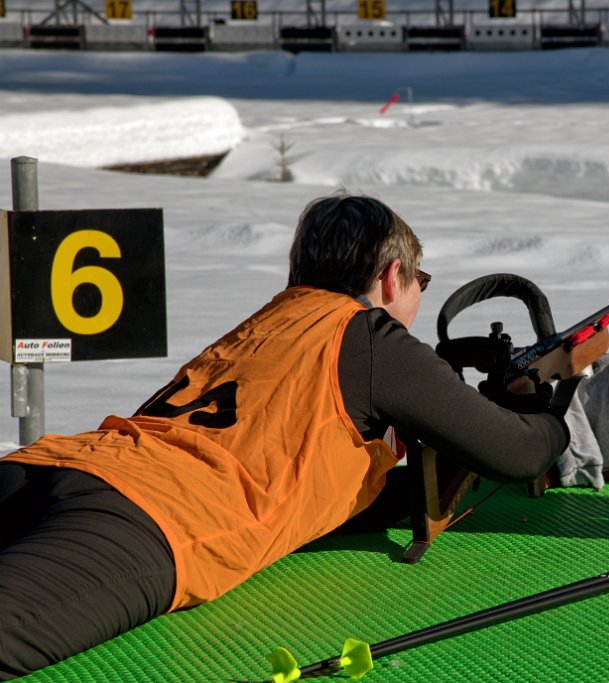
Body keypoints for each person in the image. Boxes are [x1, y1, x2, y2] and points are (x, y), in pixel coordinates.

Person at [0, 194, 569, 679]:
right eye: (418, 280)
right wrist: (546, 414)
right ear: (392, 277)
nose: (416, 293)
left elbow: (301, 475)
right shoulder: (368, 335)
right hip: (151, 517)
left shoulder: (271, 320)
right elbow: (515, 452)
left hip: (52, 464)